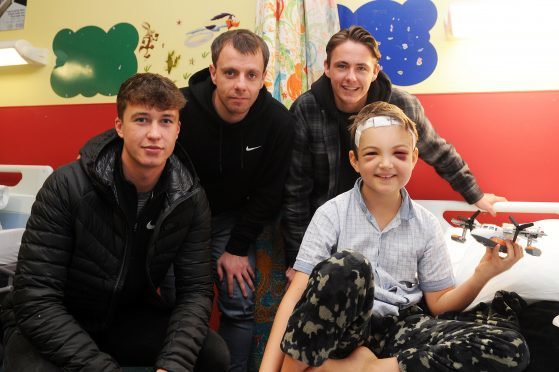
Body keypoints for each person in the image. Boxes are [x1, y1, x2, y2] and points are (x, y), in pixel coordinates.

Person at [260, 101, 529, 371]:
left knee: (509, 346)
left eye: (399, 154)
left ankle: (366, 368)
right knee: (350, 265)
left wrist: (483, 273)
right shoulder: (331, 214)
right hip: (345, 330)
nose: (386, 164)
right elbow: (296, 297)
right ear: (354, 160)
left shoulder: (426, 224)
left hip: (399, 328)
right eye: (372, 154)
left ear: (413, 158)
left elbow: (439, 305)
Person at [0, 73, 229, 371]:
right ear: (119, 126)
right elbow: (36, 298)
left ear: (177, 130)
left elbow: (195, 294)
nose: (155, 134)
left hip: (125, 318)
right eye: (142, 120)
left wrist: (173, 365)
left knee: (213, 353)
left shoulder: (189, 199)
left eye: (166, 121)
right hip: (54, 318)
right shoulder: (66, 186)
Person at [282, 26, 506, 275]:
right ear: (327, 67)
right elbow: (296, 190)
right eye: (342, 66)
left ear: (375, 71)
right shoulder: (307, 108)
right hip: (328, 229)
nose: (351, 78)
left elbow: (437, 151)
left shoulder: (401, 106)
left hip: (383, 223)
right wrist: (297, 260)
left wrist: (475, 194)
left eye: (361, 68)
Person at [178, 29, 295, 371]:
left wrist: (236, 248)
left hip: (230, 220)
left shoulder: (278, 123)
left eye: (251, 75)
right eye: (230, 73)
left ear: (263, 79)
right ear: (213, 73)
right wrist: (94, 151)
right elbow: (133, 128)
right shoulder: (180, 107)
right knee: (177, 305)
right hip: (179, 219)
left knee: (240, 303)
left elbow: (271, 192)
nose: (240, 85)